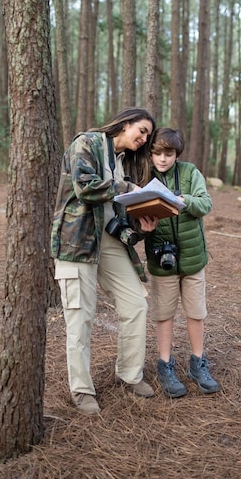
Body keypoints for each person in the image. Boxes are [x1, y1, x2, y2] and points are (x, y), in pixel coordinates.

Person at [51, 108, 159, 415]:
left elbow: (121, 213)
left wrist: (142, 226)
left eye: (148, 135)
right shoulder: (87, 143)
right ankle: (82, 390)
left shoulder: (127, 163)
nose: (144, 138)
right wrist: (129, 189)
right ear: (125, 124)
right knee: (80, 317)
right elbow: (84, 185)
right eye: (141, 130)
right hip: (77, 242)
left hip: (111, 243)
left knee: (136, 303)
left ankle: (130, 374)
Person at [144, 127, 220, 398]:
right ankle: (165, 365)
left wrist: (183, 200)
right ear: (150, 154)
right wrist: (145, 228)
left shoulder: (190, 173)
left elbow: (206, 204)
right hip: (161, 258)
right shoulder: (145, 176)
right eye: (158, 153)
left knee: (196, 312)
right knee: (163, 314)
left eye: (169, 153)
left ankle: (197, 363)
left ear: (177, 154)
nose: (163, 159)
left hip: (192, 257)